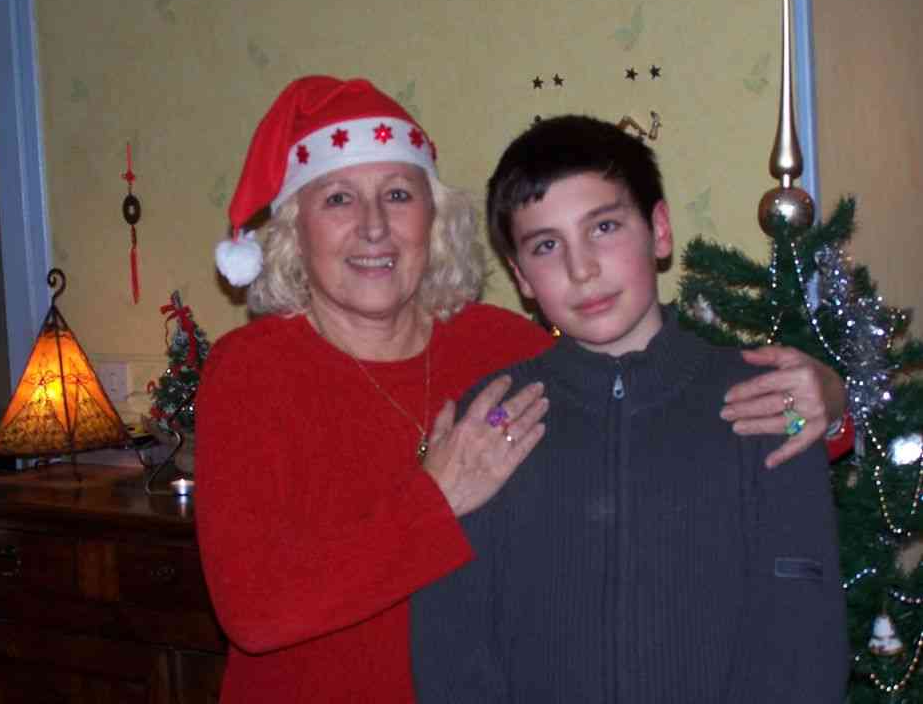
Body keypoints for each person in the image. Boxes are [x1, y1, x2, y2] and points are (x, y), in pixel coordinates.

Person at [194, 76, 846, 703]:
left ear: (433, 219)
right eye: (338, 199)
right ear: (293, 229)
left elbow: (645, 408)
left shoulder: (502, 349)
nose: (373, 227)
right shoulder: (251, 370)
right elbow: (253, 611)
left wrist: (830, 405)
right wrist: (436, 500)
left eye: (397, 194)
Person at [410, 115, 848, 703]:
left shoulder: (769, 401)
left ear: (659, 231)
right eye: (546, 246)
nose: (582, 268)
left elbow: (803, 634)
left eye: (604, 227)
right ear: (521, 278)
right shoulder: (490, 425)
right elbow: (451, 641)